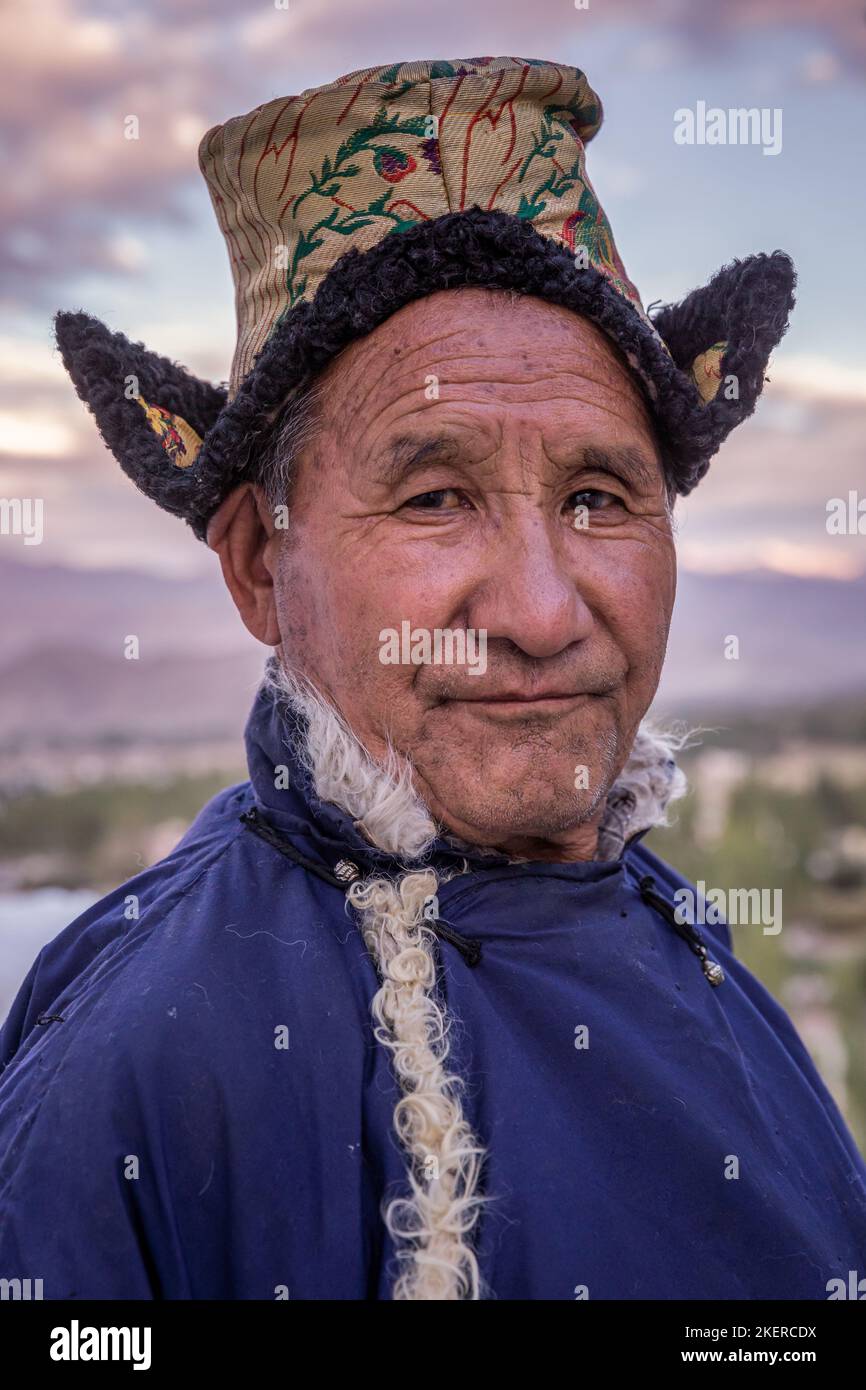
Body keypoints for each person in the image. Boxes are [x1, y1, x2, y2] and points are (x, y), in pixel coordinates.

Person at [2, 56, 864, 1301]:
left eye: (594, 497)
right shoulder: (136, 1067)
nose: (537, 610)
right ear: (258, 561)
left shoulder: (700, 961)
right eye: (433, 497)